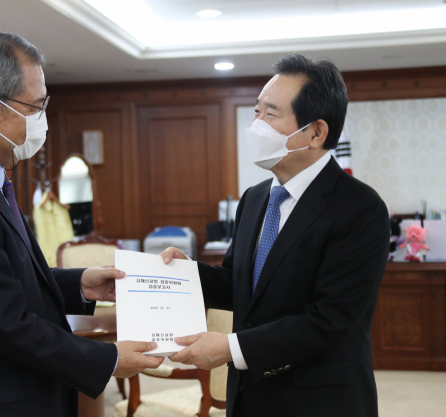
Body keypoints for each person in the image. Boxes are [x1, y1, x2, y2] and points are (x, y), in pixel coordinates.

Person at [0, 31, 163, 417]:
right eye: (34, 108)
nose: (42, 121)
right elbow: (7, 325)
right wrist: (107, 358)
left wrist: (79, 284)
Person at [160, 54, 390, 417]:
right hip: (249, 396)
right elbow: (240, 285)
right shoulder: (255, 198)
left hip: (319, 400)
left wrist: (232, 348)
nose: (256, 125)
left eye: (270, 114)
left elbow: (329, 319)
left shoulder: (360, 208)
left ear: (316, 132)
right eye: (256, 112)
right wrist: (186, 274)